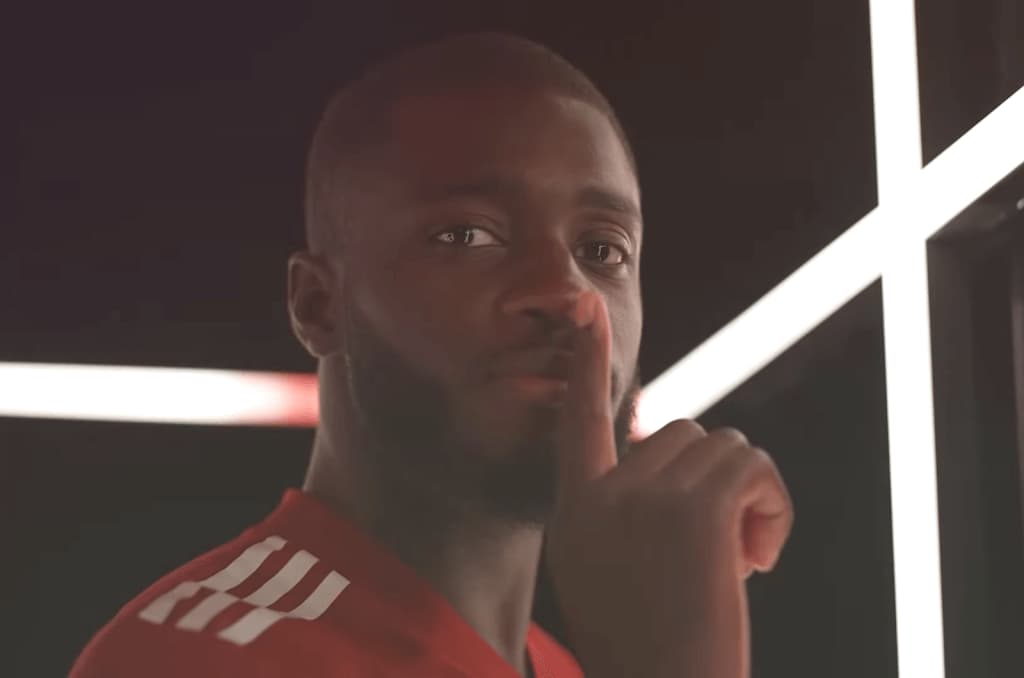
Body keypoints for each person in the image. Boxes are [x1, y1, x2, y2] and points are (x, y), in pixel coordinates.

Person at [70, 32, 793, 678]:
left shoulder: (577, 668)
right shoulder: (199, 659)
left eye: (602, 250)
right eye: (466, 236)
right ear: (318, 305)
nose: (564, 292)